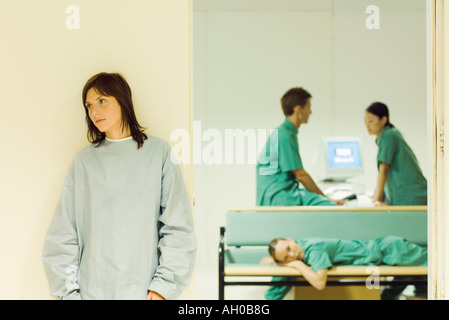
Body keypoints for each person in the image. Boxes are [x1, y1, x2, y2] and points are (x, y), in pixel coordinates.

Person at [42, 72, 196, 300]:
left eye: (101, 101)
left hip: (144, 292)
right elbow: (63, 235)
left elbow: (178, 228)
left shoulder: (158, 154)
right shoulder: (84, 163)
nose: (94, 111)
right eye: (89, 106)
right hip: (91, 293)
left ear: (122, 100)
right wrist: (68, 294)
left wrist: (162, 288)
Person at [256, 87, 344, 206]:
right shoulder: (284, 136)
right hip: (280, 196)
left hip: (281, 192)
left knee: (323, 203)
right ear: (298, 109)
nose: (310, 112)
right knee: (330, 207)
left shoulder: (285, 133)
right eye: (308, 107)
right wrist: (327, 198)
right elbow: (300, 175)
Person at [266, 236, 427, 297]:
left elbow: (319, 283)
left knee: (437, 264)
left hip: (390, 250)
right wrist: (275, 261)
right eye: (286, 258)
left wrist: (297, 265)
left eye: (289, 249)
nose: (292, 255)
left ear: (291, 240)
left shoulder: (314, 248)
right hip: (384, 255)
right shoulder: (304, 246)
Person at [364, 102, 427, 206]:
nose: (367, 125)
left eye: (371, 121)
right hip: (408, 194)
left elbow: (383, 169)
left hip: (412, 195)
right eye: (365, 121)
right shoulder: (387, 135)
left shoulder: (389, 135)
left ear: (383, 120)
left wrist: (376, 200)